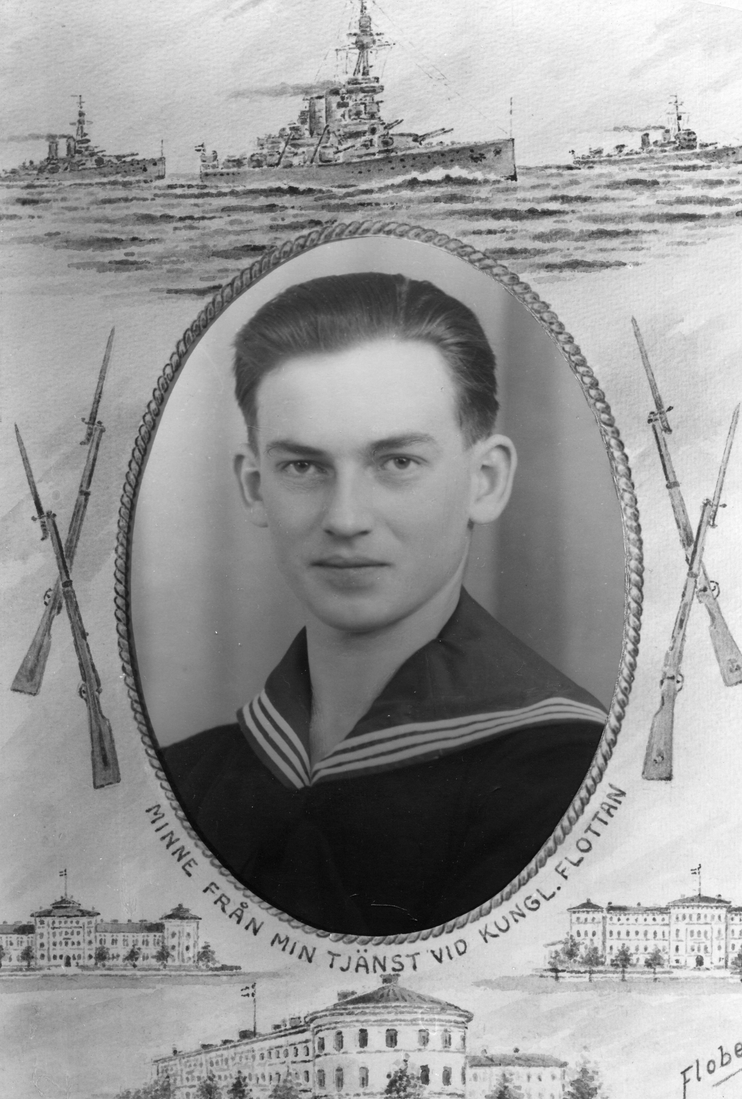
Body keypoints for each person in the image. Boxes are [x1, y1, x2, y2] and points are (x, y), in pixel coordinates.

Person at [160, 272, 606, 935]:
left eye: (397, 462)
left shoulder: (567, 772)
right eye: (303, 467)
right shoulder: (184, 776)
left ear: (485, 481)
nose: (345, 518)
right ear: (254, 488)